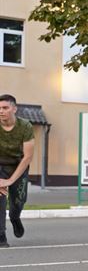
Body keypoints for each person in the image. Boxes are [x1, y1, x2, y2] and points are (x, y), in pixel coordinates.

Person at [0, 94, 34, 247]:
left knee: (18, 201)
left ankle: (15, 217)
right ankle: (1, 235)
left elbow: (27, 157)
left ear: (14, 109)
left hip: (18, 165)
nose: (1, 111)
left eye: (5, 108)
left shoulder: (25, 126)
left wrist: (10, 181)